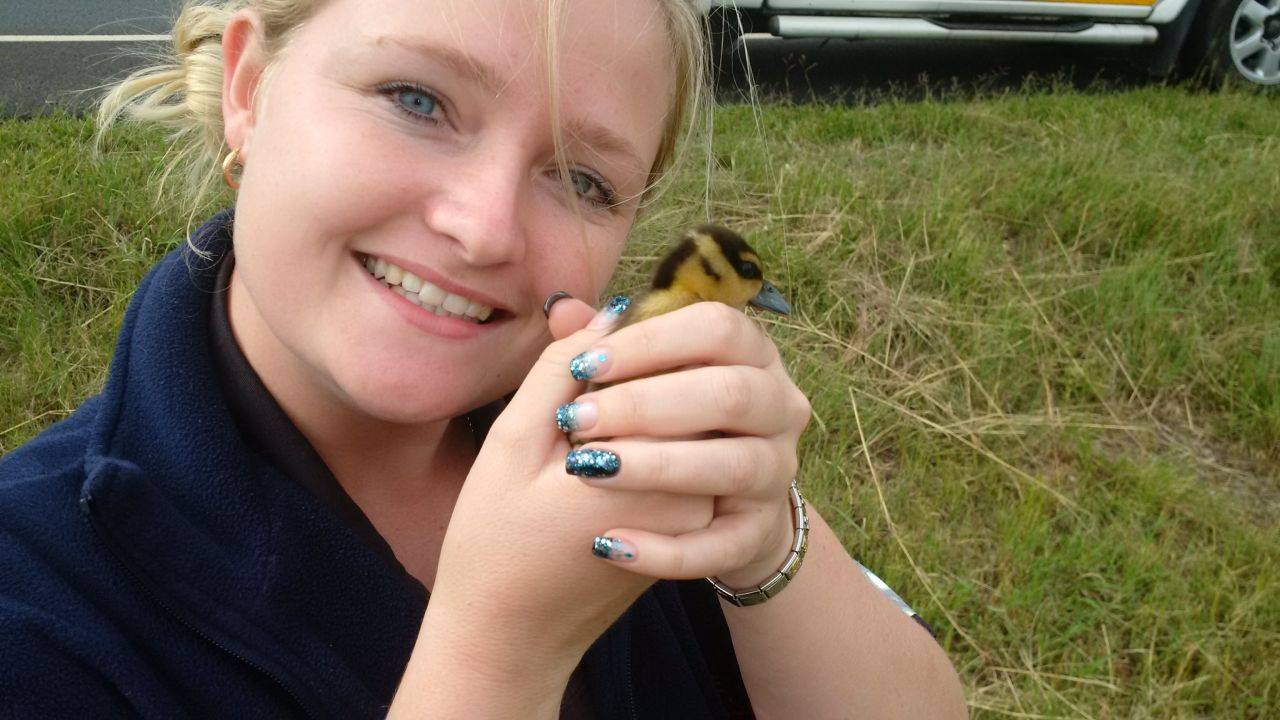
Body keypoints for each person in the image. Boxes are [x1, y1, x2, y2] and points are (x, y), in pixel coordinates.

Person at [0, 0, 967, 716]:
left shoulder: (626, 430)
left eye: (582, 178)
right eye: (416, 99)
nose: (484, 228)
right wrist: (499, 655)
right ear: (251, 90)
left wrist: (765, 541)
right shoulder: (36, 602)